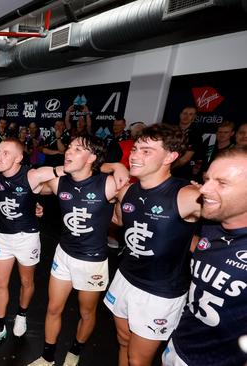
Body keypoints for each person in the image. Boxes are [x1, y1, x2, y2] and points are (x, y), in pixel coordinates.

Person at [103, 123, 202, 366]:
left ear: (170, 156)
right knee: (123, 340)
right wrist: (116, 176)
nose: (135, 155)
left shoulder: (186, 194)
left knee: (138, 360)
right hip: (125, 278)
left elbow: (231, 211)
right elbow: (117, 219)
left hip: (160, 293)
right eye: (136, 149)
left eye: (146, 151)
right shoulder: (128, 191)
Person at [28, 135, 125, 366]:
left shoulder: (108, 183)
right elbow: (31, 183)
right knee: (53, 308)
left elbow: (121, 221)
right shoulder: (59, 182)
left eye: (77, 149)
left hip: (92, 261)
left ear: (92, 157)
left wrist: (116, 168)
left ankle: (75, 351)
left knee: (87, 312)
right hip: (64, 254)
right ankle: (48, 357)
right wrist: (34, 203)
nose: (69, 151)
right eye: (69, 147)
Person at [162, 147, 247, 366]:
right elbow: (204, 247)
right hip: (179, 344)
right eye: (207, 178)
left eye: (222, 183)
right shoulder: (211, 223)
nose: (205, 188)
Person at [0, 138, 59, 347]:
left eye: (6, 153)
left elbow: (66, 170)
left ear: (19, 158)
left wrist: (113, 168)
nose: (0, 156)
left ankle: (22, 314)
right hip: (3, 236)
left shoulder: (32, 175)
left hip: (27, 237)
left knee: (26, 282)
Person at [171, 106, 204, 181]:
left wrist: (168, 168)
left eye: (190, 114)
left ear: (194, 117)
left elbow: (186, 158)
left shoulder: (195, 134)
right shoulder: (170, 130)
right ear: (180, 114)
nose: (186, 116)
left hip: (182, 172)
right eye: (185, 113)